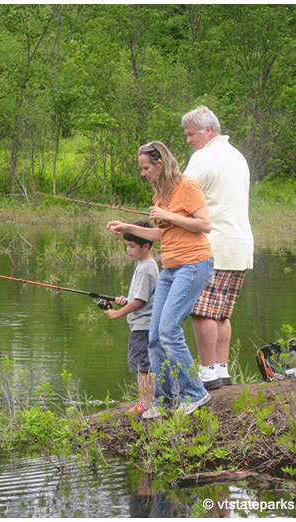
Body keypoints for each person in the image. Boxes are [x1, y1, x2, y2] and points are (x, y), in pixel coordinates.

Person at [107, 141, 214, 419]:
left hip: (194, 264)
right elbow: (163, 235)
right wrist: (129, 227)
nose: (143, 173)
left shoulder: (187, 187)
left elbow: (205, 225)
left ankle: (196, 393)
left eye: (146, 167)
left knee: (168, 330)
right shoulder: (160, 196)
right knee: (154, 338)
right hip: (170, 268)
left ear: (160, 164)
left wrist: (167, 216)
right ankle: (164, 402)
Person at [181, 106, 254, 390]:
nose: (188, 140)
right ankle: (221, 370)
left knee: (202, 311)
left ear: (207, 130)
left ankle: (207, 373)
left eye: (190, 134)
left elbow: (182, 194)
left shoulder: (204, 156)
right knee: (222, 313)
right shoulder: (237, 155)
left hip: (214, 246)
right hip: (240, 246)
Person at [104, 221, 159, 415]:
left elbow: (140, 301)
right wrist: (125, 301)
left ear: (146, 245)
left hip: (143, 326)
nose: (128, 250)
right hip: (145, 324)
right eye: (127, 246)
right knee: (143, 365)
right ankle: (146, 401)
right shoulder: (146, 265)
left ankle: (147, 403)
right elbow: (138, 297)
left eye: (132, 246)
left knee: (142, 366)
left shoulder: (145, 269)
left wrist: (118, 313)